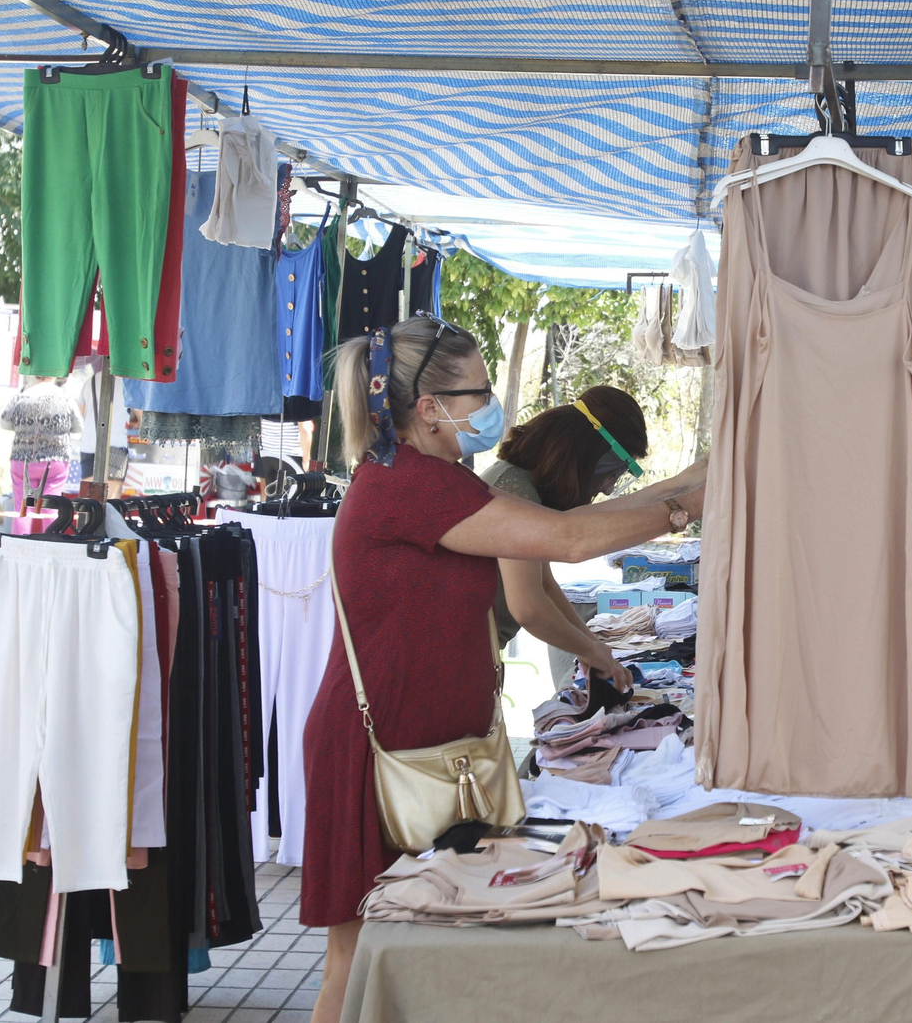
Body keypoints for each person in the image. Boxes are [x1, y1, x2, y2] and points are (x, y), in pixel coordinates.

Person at [300, 316, 704, 1022]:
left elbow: (563, 531)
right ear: (430, 408)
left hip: (435, 750)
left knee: (422, 945)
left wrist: (695, 480)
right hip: (378, 754)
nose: (494, 405)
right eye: (480, 391)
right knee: (357, 955)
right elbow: (568, 539)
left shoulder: (438, 477)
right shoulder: (410, 484)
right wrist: (681, 507)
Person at [482, 384, 703, 692]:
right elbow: (529, 606)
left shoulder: (519, 486)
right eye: (612, 474)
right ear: (584, 456)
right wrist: (591, 651)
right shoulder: (514, 490)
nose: (608, 488)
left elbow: (545, 584)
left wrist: (593, 646)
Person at [1, 376, 83, 533]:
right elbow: (79, 426)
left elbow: (4, 422)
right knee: (50, 508)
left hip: (24, 462)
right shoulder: (66, 398)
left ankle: (20, 545)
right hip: (55, 462)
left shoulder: (21, 397)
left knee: (25, 507)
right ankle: (49, 544)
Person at [76, 360, 130, 496]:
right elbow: (140, 417)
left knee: (89, 498)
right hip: (116, 444)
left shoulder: (90, 381)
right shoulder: (128, 383)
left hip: (89, 444)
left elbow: (80, 414)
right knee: (111, 498)